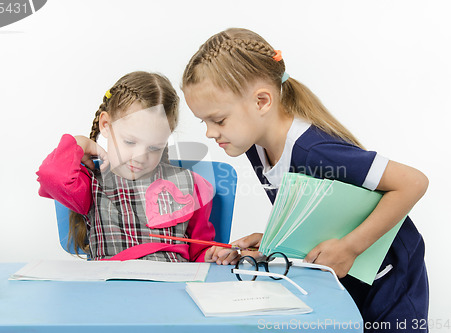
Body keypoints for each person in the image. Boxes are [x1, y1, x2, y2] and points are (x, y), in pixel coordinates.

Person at [182, 28, 429, 332]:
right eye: (203, 121)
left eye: (218, 120)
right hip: (345, 275)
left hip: (390, 275)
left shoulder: (314, 151)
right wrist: (276, 242)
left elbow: (413, 183)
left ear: (261, 101)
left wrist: (350, 247)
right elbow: (320, 210)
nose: (209, 132)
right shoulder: (256, 147)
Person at [37, 71, 217, 263]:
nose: (140, 158)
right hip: (111, 288)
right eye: (130, 142)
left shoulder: (190, 185)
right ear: (106, 125)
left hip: (168, 288)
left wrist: (212, 255)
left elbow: (199, 252)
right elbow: (51, 177)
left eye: (154, 147)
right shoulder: (91, 183)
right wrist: (79, 144)